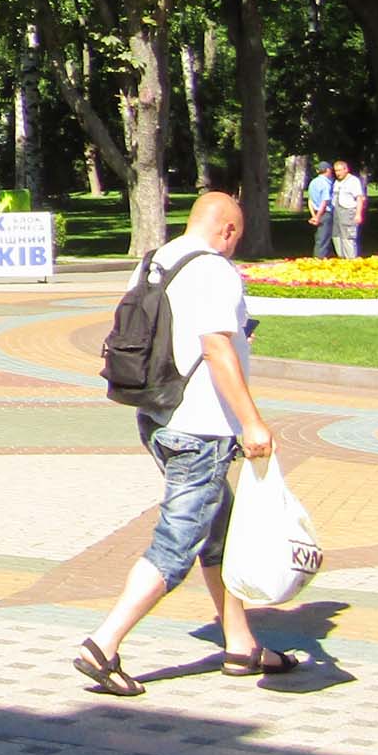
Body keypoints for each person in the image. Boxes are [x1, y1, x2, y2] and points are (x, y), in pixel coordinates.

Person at [73, 190, 303, 698]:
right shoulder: (215, 270)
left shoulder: (154, 262)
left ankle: (240, 644)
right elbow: (216, 348)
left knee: (220, 532)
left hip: (157, 417)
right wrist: (252, 423)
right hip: (201, 429)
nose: (235, 245)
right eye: (237, 236)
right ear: (227, 230)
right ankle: (103, 645)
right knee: (176, 544)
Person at [327, 159, 366, 260]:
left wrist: (358, 214)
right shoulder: (337, 182)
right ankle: (341, 258)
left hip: (348, 212)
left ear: (346, 169)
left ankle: (350, 260)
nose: (338, 173)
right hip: (337, 212)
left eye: (340, 170)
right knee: (336, 236)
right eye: (336, 171)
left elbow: (359, 198)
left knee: (347, 237)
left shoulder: (353, 181)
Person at [303, 160, 334, 258]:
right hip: (324, 213)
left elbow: (310, 200)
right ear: (328, 170)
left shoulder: (313, 182)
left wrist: (313, 215)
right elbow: (324, 202)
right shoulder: (325, 184)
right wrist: (318, 216)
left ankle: (319, 257)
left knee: (319, 237)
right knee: (324, 238)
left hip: (316, 211)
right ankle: (320, 259)